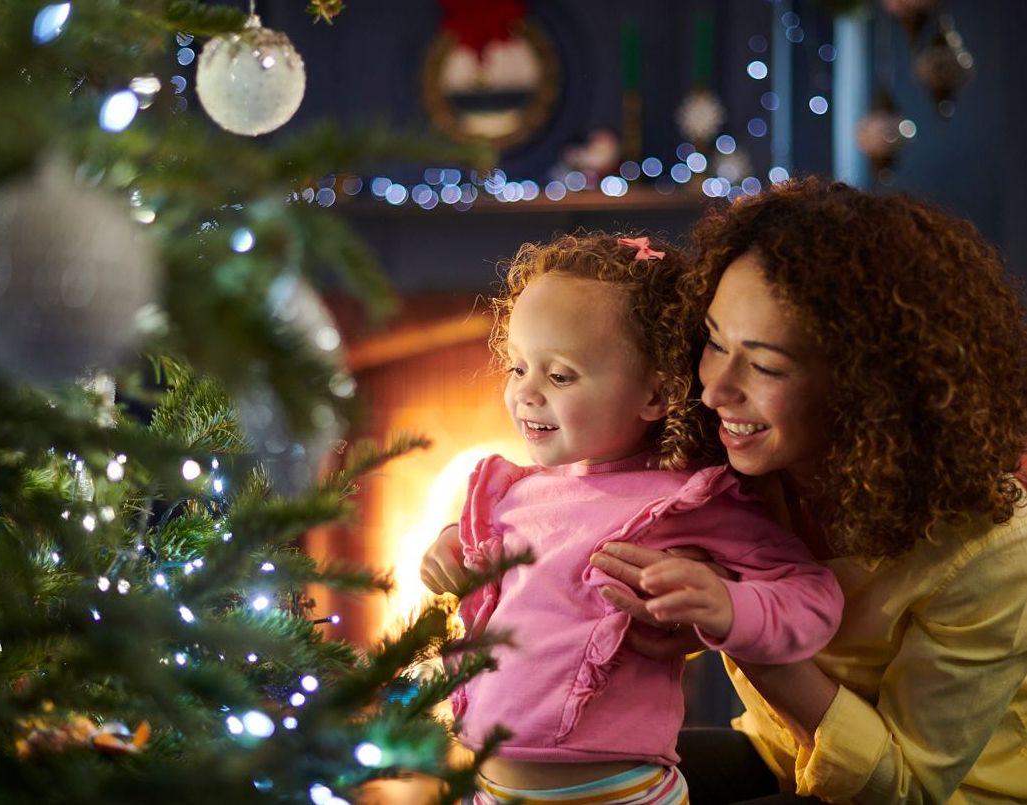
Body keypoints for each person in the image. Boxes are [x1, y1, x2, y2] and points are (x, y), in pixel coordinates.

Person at [591, 177, 1027, 804]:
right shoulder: (736, 472)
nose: (715, 390)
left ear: (866, 386)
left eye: (766, 365)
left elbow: (907, 787)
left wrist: (741, 627)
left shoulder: (990, 547)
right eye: (714, 342)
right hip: (781, 755)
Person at [420, 231, 844, 805]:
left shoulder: (688, 499)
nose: (526, 393)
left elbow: (813, 596)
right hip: (490, 787)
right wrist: (450, 547)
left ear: (656, 394)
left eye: (560, 375)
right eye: (518, 367)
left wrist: (727, 606)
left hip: (622, 793)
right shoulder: (518, 493)